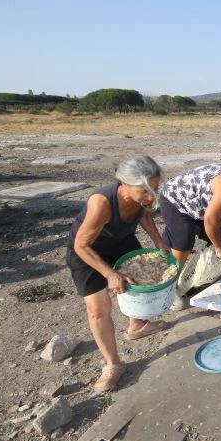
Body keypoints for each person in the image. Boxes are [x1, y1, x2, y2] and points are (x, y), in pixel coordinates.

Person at [66, 156, 170, 393]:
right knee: (98, 309)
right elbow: (81, 245)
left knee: (139, 281)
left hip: (121, 242)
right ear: (123, 182)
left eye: (154, 189)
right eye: (144, 190)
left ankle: (136, 327)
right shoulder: (101, 203)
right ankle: (113, 364)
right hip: (88, 250)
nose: (150, 197)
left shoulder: (143, 200)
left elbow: (143, 214)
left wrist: (158, 241)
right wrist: (110, 274)